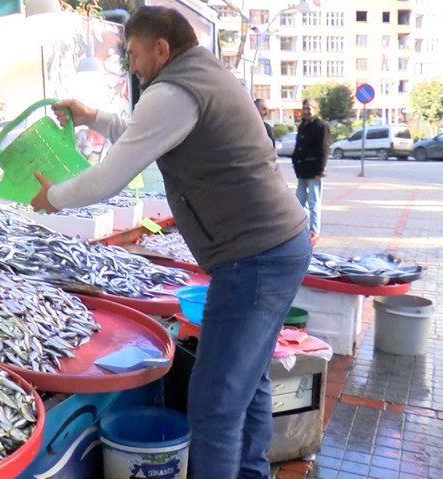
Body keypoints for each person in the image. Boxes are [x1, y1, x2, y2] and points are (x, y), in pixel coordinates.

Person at [29, 6, 311, 479]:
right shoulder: (201, 77)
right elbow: (143, 137)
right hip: (280, 245)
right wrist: (91, 116)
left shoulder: (175, 90)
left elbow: (111, 176)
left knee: (215, 402)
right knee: (250, 383)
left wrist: (53, 197)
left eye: (135, 55)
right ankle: (252, 473)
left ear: (161, 48)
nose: (132, 66)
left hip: (254, 258)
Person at [291, 98, 330, 239]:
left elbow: (324, 149)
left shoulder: (321, 126)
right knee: (299, 202)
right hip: (302, 170)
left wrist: (320, 170)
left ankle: (314, 231)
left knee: (314, 203)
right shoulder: (302, 126)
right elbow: (298, 146)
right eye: (305, 108)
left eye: (310, 108)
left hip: (314, 171)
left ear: (316, 109)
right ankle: (301, 229)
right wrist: (295, 161)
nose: (307, 111)